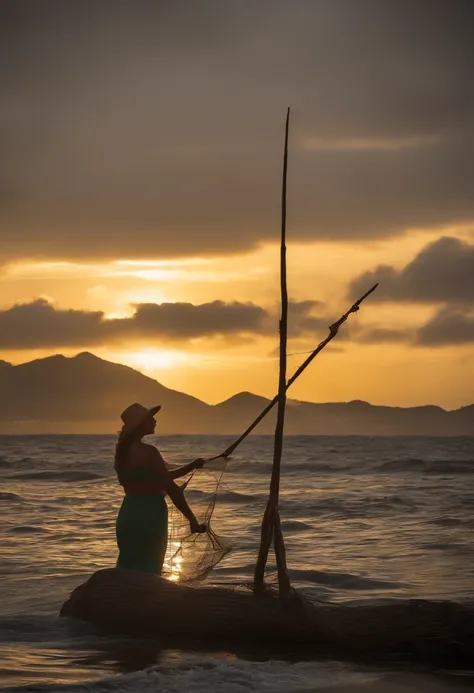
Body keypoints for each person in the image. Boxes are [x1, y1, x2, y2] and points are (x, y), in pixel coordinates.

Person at [114, 402, 206, 575]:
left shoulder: (121, 451)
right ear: (141, 424)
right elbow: (170, 487)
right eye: (151, 418)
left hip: (128, 515)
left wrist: (190, 467)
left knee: (127, 573)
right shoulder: (149, 452)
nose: (155, 421)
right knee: (149, 573)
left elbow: (154, 479)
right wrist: (193, 521)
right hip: (150, 516)